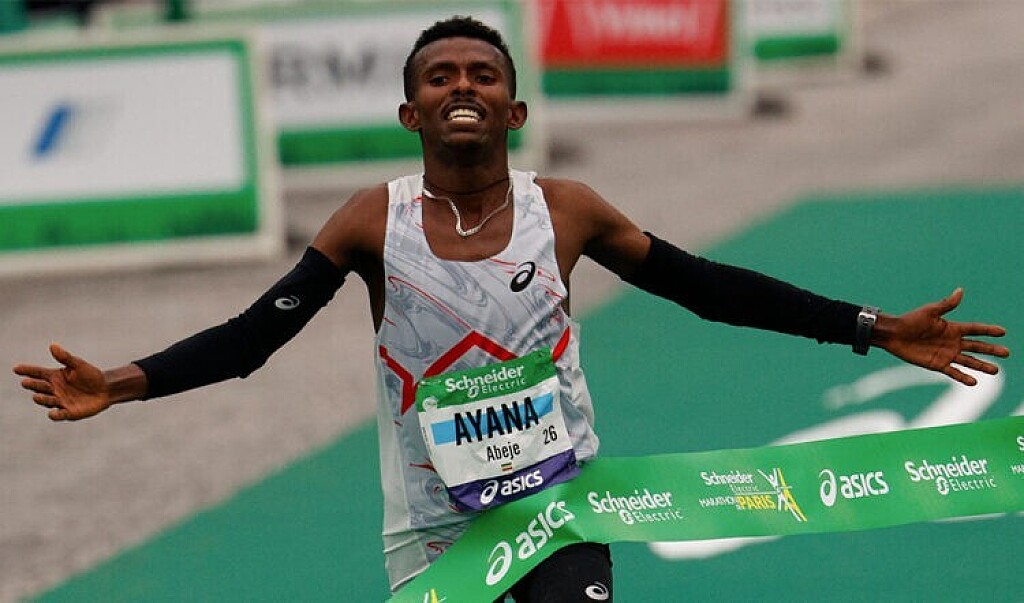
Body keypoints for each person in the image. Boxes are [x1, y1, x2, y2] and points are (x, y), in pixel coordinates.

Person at [13, 16, 1010, 603]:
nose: (463, 86)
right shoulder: (370, 223)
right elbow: (250, 339)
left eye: (482, 75)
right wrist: (122, 384)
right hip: (433, 531)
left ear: (514, 110)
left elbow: (705, 287)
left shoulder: (564, 210)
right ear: (410, 113)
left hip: (560, 511)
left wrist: (870, 327)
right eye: (440, 77)